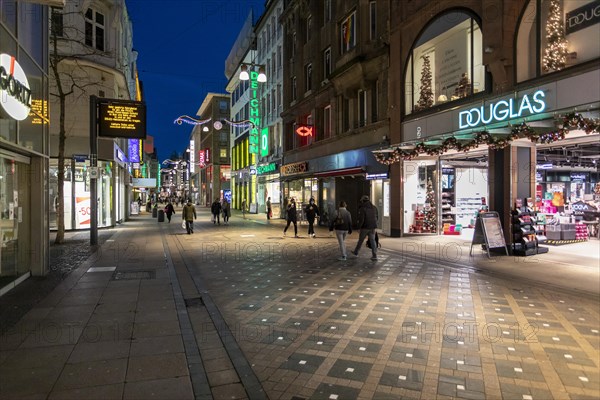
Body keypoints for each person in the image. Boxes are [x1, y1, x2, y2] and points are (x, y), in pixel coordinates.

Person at [351, 195, 379, 261]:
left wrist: (358, 227)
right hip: (372, 227)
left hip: (365, 227)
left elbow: (361, 220)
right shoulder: (374, 207)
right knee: (373, 241)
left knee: (360, 240)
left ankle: (356, 252)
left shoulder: (362, 208)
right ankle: (374, 255)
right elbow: (377, 217)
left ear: (363, 201)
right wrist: (375, 224)